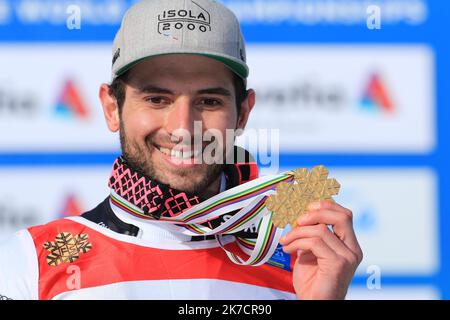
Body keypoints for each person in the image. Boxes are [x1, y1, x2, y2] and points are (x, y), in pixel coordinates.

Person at [0, 0, 362, 300]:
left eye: (208, 100)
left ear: (244, 113)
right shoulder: (33, 261)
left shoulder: (298, 259)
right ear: (112, 109)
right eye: (157, 98)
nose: (182, 126)